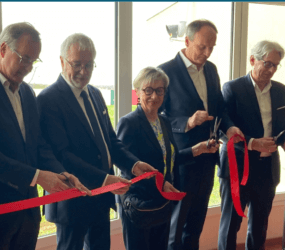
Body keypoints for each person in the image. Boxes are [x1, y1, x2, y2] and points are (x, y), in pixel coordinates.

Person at [0, 23, 89, 250]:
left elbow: (37, 144)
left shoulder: (27, 92)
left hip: (27, 210)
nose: (28, 67)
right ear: (4, 49)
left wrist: (61, 173)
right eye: (24, 58)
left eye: (33, 61)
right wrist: (37, 177)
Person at [37, 33, 156, 250]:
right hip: (71, 201)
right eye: (77, 64)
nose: (84, 71)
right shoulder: (48, 100)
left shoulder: (95, 94)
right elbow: (63, 155)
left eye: (89, 65)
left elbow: (110, 140)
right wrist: (104, 179)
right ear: (62, 61)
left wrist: (133, 164)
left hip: (101, 198)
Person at [158, 19, 244, 250]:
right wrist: (187, 122)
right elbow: (155, 116)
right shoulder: (165, 72)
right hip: (182, 159)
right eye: (202, 47)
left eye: (212, 47)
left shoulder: (211, 69)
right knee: (175, 227)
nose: (207, 53)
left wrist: (230, 127)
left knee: (196, 224)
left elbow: (219, 108)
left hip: (208, 158)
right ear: (187, 41)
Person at [116, 67, 219, 250]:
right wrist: (160, 183)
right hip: (140, 205)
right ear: (138, 93)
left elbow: (169, 159)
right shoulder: (129, 123)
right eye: (148, 90)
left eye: (159, 90)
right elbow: (126, 168)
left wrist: (198, 149)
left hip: (162, 201)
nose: (154, 96)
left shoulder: (163, 121)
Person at [218, 41, 285, 250]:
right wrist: (252, 143)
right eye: (267, 64)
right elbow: (222, 128)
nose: (272, 70)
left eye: (276, 65)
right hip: (237, 168)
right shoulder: (233, 88)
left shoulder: (281, 91)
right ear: (252, 60)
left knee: (260, 227)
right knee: (230, 224)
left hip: (267, 169)